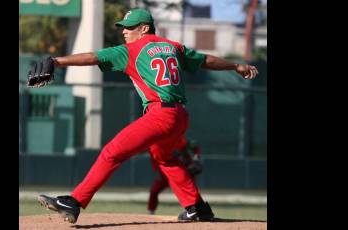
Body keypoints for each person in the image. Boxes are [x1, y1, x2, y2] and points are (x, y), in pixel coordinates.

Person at [33, 8, 258, 224]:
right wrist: (236, 66)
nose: (124, 31)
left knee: (113, 152)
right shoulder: (173, 47)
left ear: (144, 28)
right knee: (165, 158)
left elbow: (93, 57)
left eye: (129, 27)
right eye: (123, 27)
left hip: (160, 114)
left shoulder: (130, 50)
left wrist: (56, 61)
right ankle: (197, 208)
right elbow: (205, 60)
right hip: (179, 116)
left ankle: (74, 201)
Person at [147, 136, 203, 215]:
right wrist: (157, 171)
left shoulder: (179, 141)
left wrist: (196, 158)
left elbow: (194, 146)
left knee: (191, 192)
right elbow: (155, 160)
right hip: (165, 173)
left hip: (183, 171)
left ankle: (194, 210)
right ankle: (151, 211)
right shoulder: (156, 146)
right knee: (154, 191)